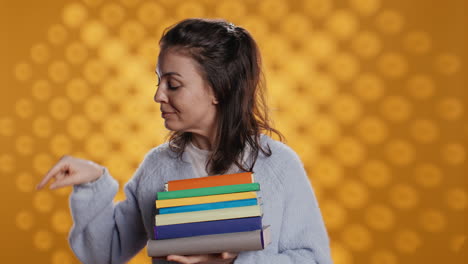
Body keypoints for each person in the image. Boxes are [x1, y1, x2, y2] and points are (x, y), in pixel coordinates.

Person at [36, 18, 333, 264]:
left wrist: (234, 261)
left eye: (173, 84)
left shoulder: (277, 166)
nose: (158, 95)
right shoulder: (157, 166)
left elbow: (315, 259)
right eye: (159, 81)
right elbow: (105, 252)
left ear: (219, 89)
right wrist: (93, 182)